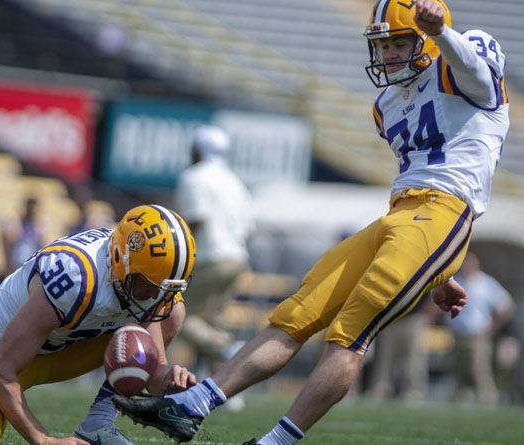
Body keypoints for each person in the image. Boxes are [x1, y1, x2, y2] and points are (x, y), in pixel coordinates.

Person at [112, 1, 509, 443]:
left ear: (426, 39)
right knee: (295, 313)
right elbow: (412, 172)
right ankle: (191, 405)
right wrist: (438, 271)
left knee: (348, 334)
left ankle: (274, 441)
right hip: (400, 216)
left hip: (444, 211)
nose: (390, 54)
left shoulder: (459, 63)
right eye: (385, 45)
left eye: (399, 42)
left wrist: (441, 34)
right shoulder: (388, 104)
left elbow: (473, 69)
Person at [0, 204, 198, 445]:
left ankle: (99, 423)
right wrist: (43, 440)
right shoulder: (77, 277)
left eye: (162, 288)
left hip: (65, 346)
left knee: (174, 314)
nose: (154, 295)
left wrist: (170, 379)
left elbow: (151, 365)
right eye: (147, 285)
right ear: (121, 259)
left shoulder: (149, 281)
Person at [175, 125, 253, 375]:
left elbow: (197, 219)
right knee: (210, 320)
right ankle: (224, 387)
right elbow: (247, 227)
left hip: (212, 258)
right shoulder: (235, 181)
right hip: (238, 258)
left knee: (174, 316)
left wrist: (178, 257)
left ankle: (228, 348)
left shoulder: (194, 177)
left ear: (197, 150)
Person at [446, 251, 515, 403]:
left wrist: (492, 327)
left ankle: (487, 397)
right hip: (457, 333)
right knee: (458, 368)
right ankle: (461, 399)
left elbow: (507, 306)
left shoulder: (486, 282)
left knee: (479, 368)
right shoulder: (456, 281)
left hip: (478, 334)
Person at [0, 196, 47, 277]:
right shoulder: (17, 223)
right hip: (16, 263)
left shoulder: (39, 225)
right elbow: (8, 241)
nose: (32, 210)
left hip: (32, 265)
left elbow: (43, 245)